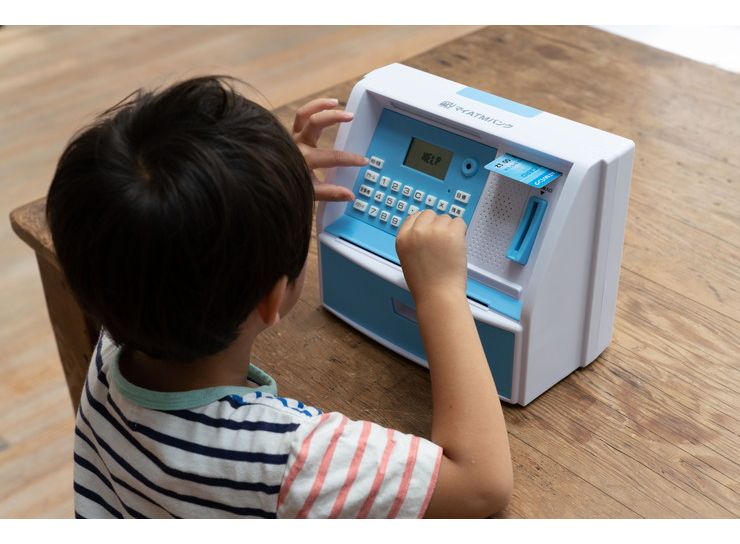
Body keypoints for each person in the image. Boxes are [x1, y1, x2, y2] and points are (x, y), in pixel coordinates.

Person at [46, 76, 512, 519]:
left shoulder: (117, 321)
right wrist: (440, 294)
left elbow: (153, 248)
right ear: (271, 300)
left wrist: (260, 189)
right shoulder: (291, 459)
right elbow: (481, 483)